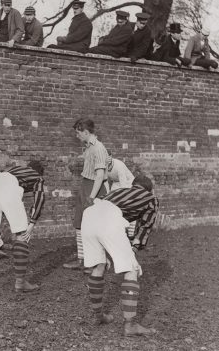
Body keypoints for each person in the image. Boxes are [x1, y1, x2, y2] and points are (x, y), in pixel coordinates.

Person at [80, 175, 159, 336]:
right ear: (148, 189)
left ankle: (98, 316)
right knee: (131, 269)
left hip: (88, 215)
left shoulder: (118, 192)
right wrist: (134, 251)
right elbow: (145, 227)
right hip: (109, 217)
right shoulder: (151, 198)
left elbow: (108, 220)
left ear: (133, 186)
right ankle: (130, 326)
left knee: (98, 265)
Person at [0, 161, 46, 293]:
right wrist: (32, 223)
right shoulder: (38, 177)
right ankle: (20, 283)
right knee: (21, 235)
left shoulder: (14, 170)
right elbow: (40, 198)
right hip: (8, 188)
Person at [63, 119, 108, 270]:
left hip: (95, 188)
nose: (77, 136)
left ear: (86, 132)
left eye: (78, 132)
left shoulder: (99, 148)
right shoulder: (88, 148)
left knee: (93, 226)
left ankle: (97, 263)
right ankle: (82, 259)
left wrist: (92, 197)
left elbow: (100, 176)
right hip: (86, 185)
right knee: (80, 222)